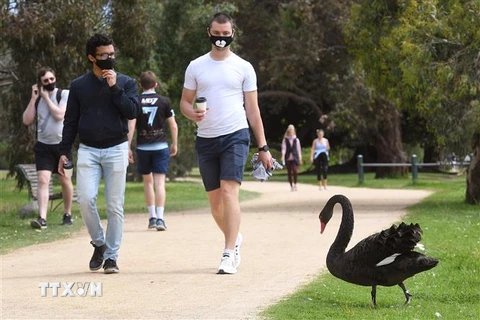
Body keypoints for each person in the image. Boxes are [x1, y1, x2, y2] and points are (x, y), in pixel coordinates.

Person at [179, 12, 273, 275]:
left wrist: (263, 146)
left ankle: (229, 252)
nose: (221, 39)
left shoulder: (244, 67)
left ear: (233, 33)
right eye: (217, 34)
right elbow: (185, 102)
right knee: (215, 204)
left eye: (226, 34)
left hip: (235, 135)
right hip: (206, 138)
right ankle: (235, 236)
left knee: (229, 191)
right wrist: (191, 113)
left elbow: (253, 110)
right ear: (208, 32)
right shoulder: (195, 66)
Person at [57, 33, 140, 274]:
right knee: (84, 199)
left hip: (116, 148)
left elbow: (132, 111)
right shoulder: (79, 85)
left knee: (115, 206)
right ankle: (100, 243)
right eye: (104, 55)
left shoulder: (126, 82)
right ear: (91, 57)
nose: (109, 59)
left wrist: (115, 88)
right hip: (88, 150)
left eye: (112, 55)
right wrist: (64, 151)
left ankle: (112, 257)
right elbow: (70, 121)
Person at [22, 67, 74, 229]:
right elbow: (26, 120)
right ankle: (42, 218)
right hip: (43, 147)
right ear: (40, 83)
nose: (50, 82)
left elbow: (59, 115)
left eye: (52, 79)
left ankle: (67, 213)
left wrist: (46, 97)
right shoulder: (38, 99)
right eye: (46, 81)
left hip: (62, 147)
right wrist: (34, 99)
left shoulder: (63, 94)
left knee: (65, 180)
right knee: (43, 180)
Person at [128, 71, 178, 231]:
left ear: (141, 85)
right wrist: (174, 143)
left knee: (148, 182)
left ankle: (152, 217)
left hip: (143, 147)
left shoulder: (136, 101)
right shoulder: (164, 101)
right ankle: (161, 218)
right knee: (160, 183)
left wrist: (127, 146)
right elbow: (173, 125)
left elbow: (131, 125)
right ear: (156, 84)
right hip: (160, 146)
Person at [280, 124, 303, 191]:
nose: (291, 133)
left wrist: (300, 158)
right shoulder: (285, 140)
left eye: (292, 132)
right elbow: (283, 148)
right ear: (288, 132)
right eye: (290, 132)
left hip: (294, 157)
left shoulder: (296, 140)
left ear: (294, 132)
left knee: (295, 171)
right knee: (289, 172)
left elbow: (299, 149)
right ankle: (291, 185)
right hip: (288, 158)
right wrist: (283, 156)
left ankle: (295, 184)